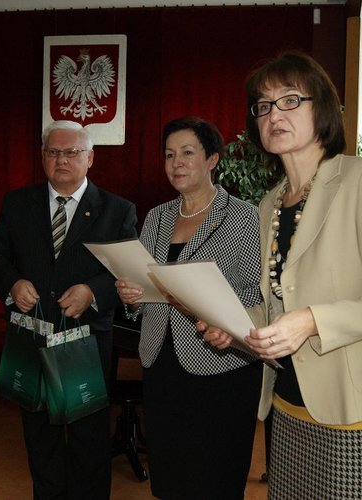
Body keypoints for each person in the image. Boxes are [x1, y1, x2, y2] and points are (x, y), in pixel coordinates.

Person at [201, 51, 362, 498]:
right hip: (288, 406)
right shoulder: (270, 203)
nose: (274, 115)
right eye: (263, 106)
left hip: (357, 412)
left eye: (290, 100)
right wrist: (235, 325)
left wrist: (311, 321)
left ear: (321, 107)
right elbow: (278, 304)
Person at [0, 120, 137, 500]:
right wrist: (12, 284)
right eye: (53, 152)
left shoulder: (117, 210)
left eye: (71, 152)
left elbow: (128, 272)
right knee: (40, 435)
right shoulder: (18, 204)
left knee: (89, 437)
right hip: (32, 336)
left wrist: (93, 291)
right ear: (42, 156)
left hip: (86, 341)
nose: (61, 160)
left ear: (90, 158)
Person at [116, 117, 263, 500]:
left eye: (186, 152)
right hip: (161, 362)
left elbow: (256, 293)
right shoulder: (157, 217)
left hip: (220, 363)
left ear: (212, 159)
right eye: (169, 155)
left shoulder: (243, 217)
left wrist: (212, 306)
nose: (176, 163)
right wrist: (132, 297)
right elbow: (147, 290)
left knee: (214, 478)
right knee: (170, 475)